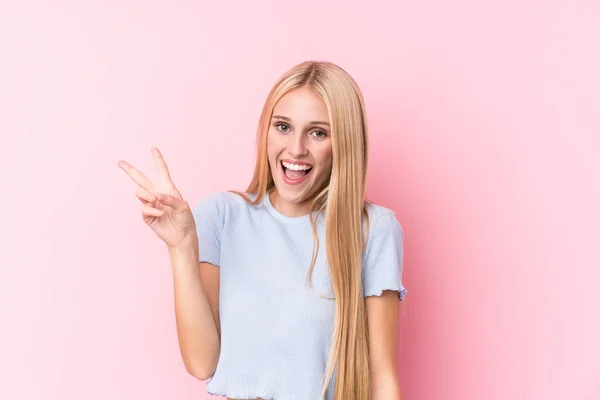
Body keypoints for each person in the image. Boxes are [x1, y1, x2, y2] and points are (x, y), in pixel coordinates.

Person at [118, 61, 408, 400]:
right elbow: (202, 363)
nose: (296, 149)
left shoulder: (375, 230)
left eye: (318, 133)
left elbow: (381, 377)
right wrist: (182, 246)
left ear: (344, 143)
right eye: (283, 126)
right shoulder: (223, 216)